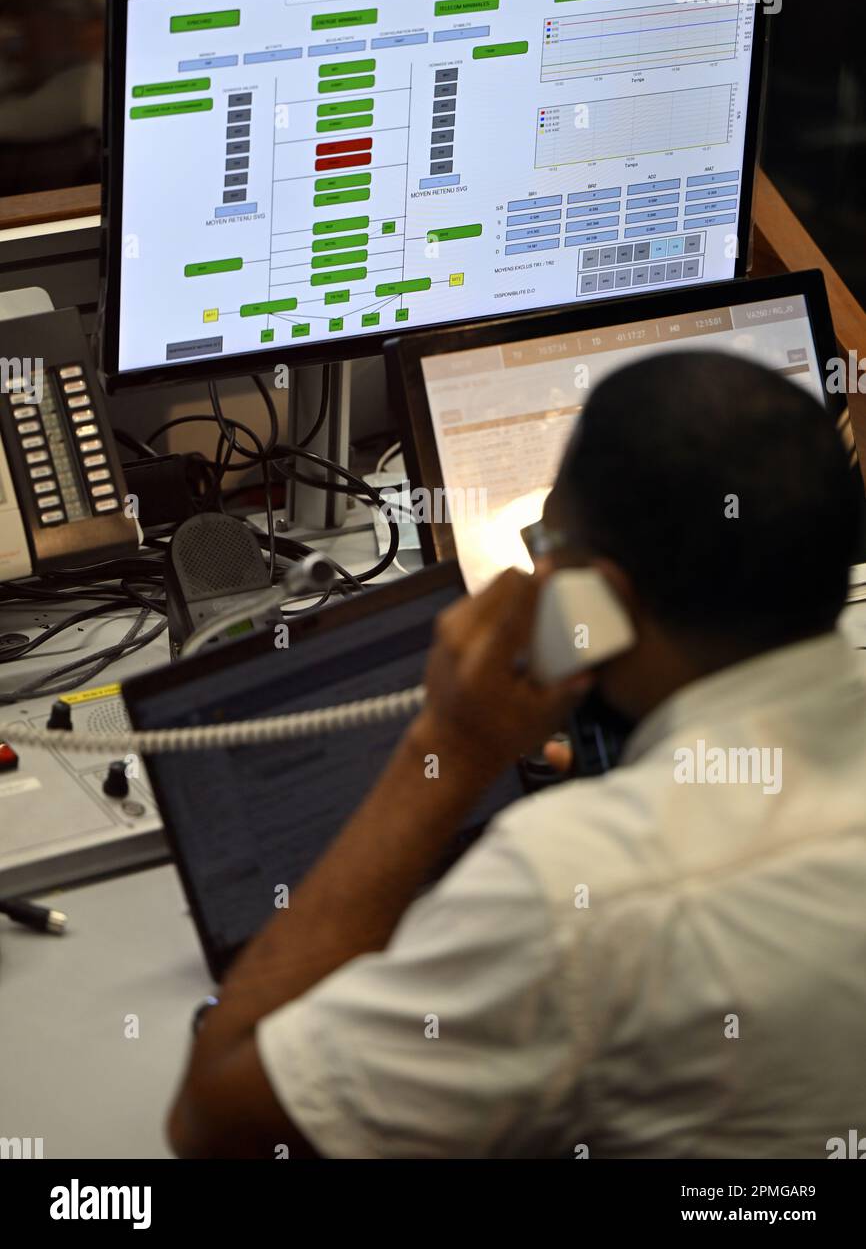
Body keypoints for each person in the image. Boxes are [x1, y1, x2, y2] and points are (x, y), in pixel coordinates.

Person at [168, 351, 866, 1159]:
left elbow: (213, 1121)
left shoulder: (574, 890)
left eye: (547, 546)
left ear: (597, 598)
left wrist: (450, 749)